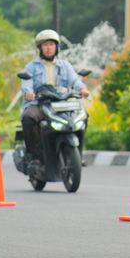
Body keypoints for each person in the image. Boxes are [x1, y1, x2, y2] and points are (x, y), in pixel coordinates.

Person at [20, 29, 89, 163]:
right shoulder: (31, 66)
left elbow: (75, 80)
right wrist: (28, 92)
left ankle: (78, 152)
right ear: (40, 48)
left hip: (62, 104)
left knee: (83, 115)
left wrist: (83, 89)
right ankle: (35, 155)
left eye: (51, 44)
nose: (48, 48)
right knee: (29, 117)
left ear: (57, 47)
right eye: (45, 45)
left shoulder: (65, 65)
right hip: (39, 104)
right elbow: (26, 83)